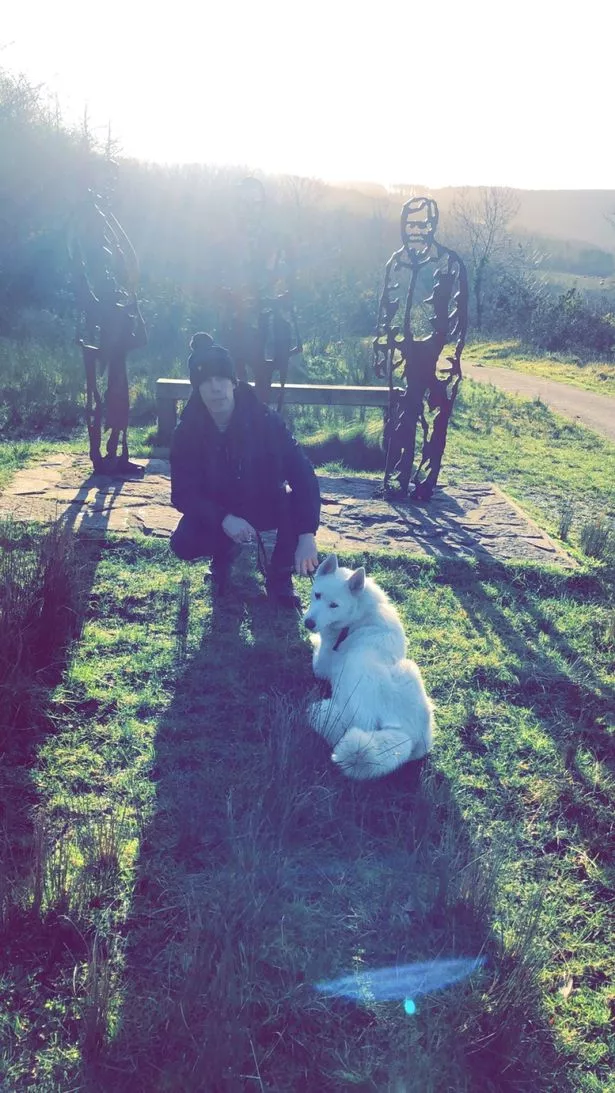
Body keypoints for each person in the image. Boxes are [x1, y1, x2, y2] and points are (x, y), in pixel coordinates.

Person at [169, 332, 320, 607]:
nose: (215, 388)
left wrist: (307, 534)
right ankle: (223, 555)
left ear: (233, 382)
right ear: (197, 389)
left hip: (265, 501)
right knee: (184, 542)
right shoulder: (186, 431)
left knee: (291, 503)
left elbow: (303, 474)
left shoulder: (266, 421)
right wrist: (224, 519)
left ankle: (280, 577)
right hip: (221, 507)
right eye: (206, 382)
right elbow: (183, 493)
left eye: (221, 379)